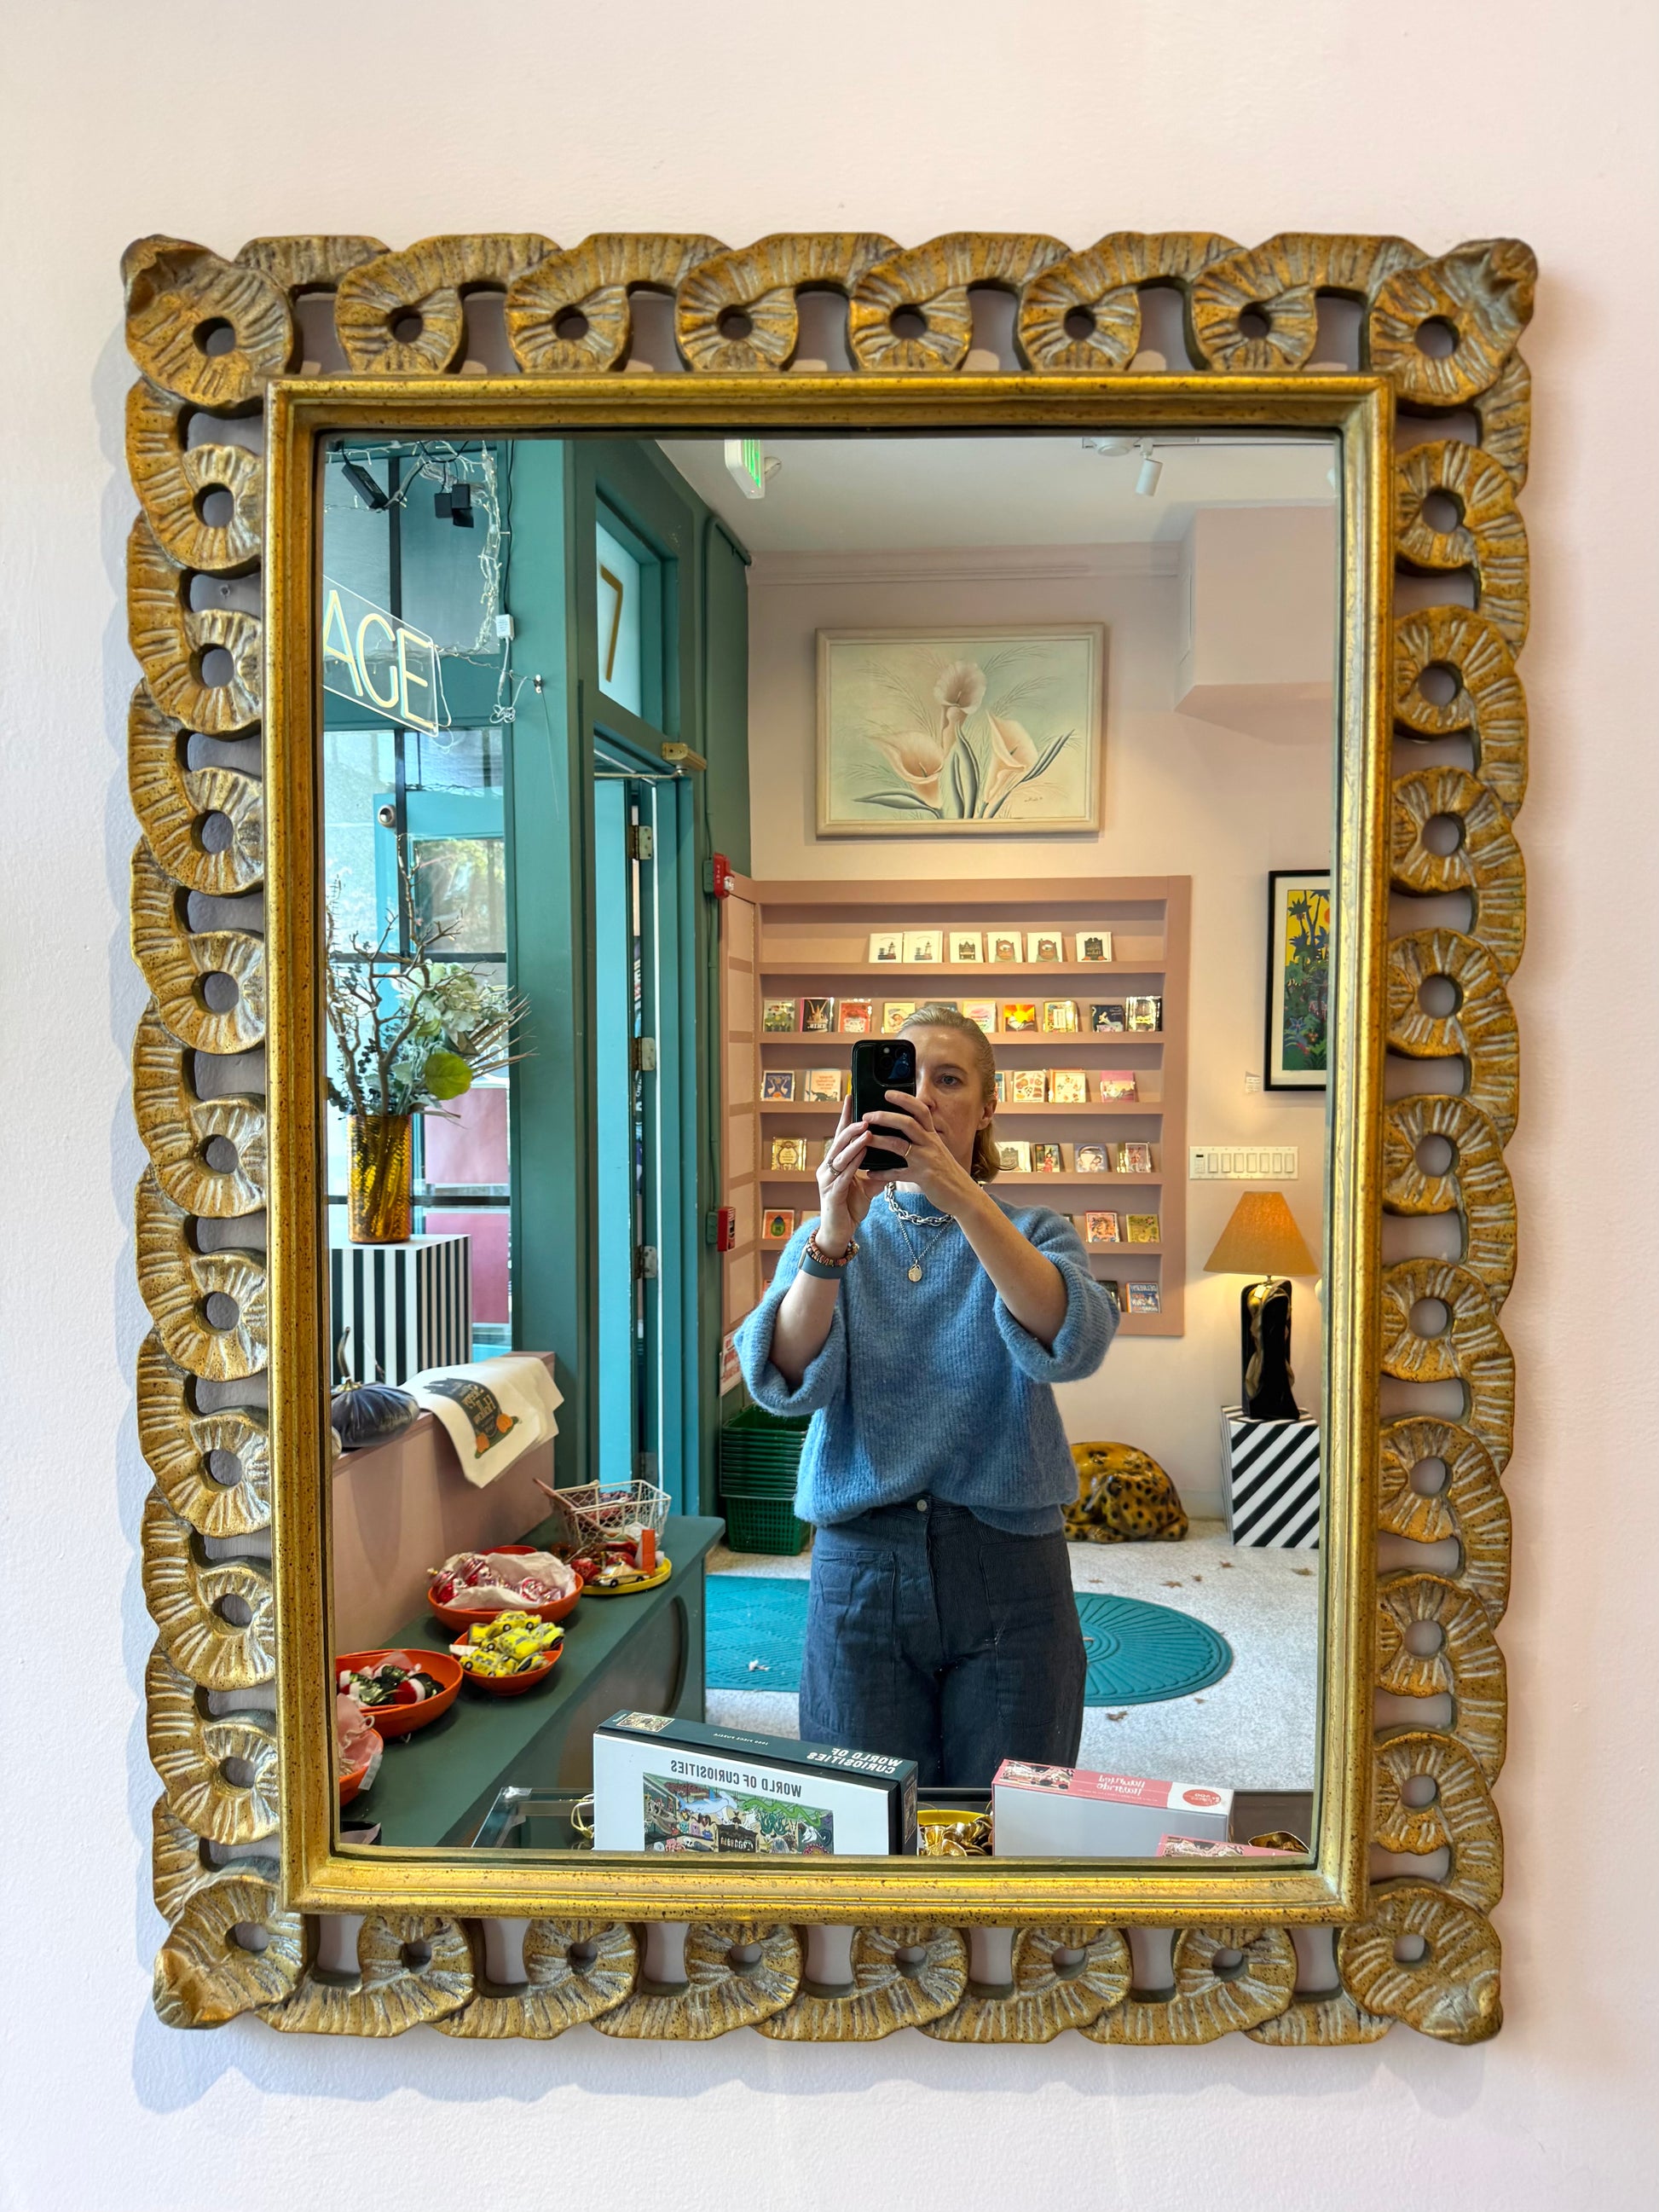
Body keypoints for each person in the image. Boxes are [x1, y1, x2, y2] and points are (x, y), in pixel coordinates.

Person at [736, 1004, 1116, 1788]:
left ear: (988, 1106)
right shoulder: (833, 1235)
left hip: (1009, 1558)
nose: (927, 1099)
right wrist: (832, 1235)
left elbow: (1072, 1342)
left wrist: (964, 1197)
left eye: (950, 1080)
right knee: (863, 1816)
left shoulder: (1033, 1231)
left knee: (1009, 1818)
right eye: (910, 1077)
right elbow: (782, 1379)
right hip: (861, 1559)